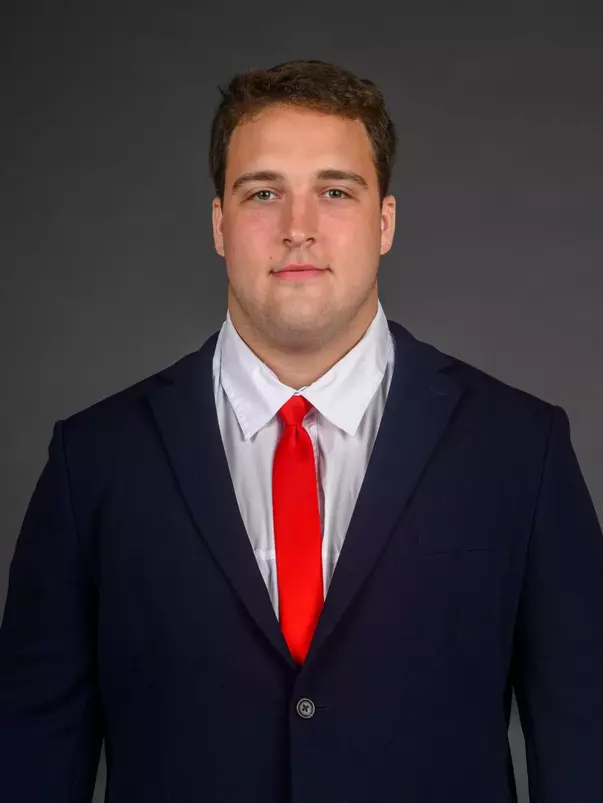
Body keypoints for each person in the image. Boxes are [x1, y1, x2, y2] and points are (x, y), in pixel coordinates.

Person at [1, 58, 602, 803]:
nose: (297, 229)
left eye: (334, 191)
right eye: (262, 193)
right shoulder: (91, 462)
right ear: (219, 222)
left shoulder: (522, 451)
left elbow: (584, 747)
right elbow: (30, 756)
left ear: (384, 220)